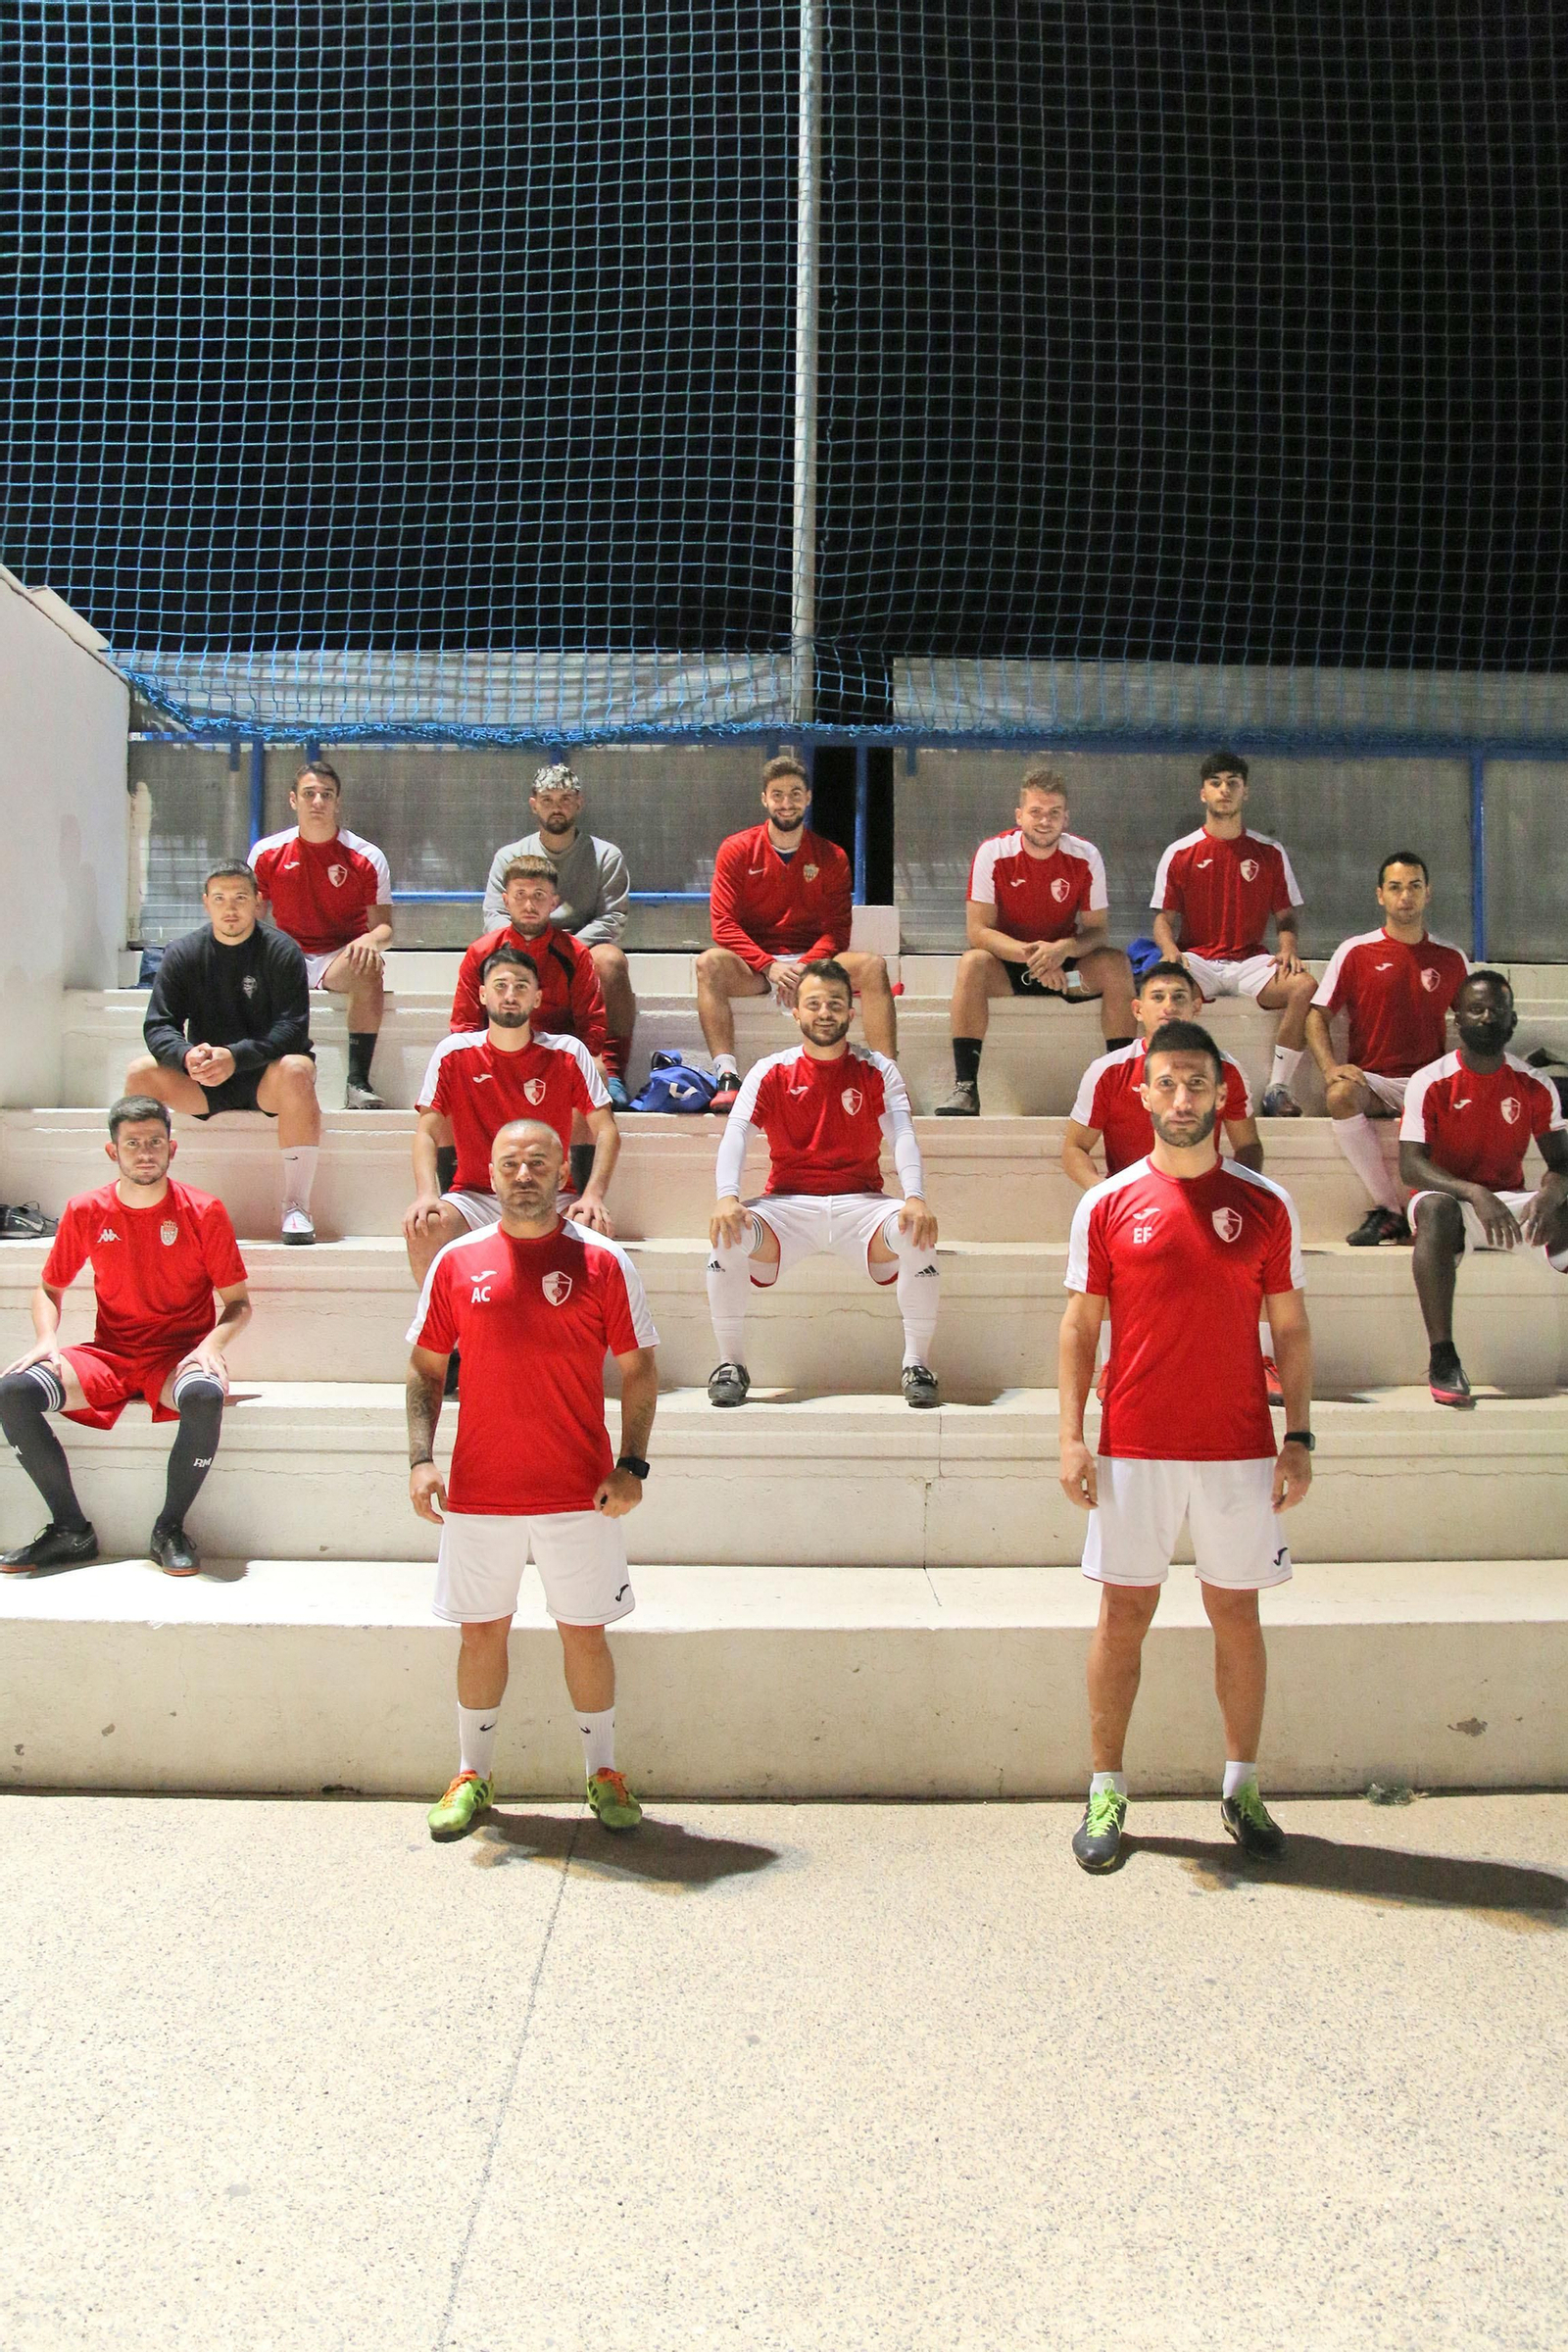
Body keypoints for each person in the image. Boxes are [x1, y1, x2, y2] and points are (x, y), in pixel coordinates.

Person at [1058, 1019, 1313, 1874]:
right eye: (1166, 1083)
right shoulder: (1106, 1202)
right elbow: (1077, 1328)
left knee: (1235, 1614)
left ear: (1221, 1095)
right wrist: (1070, 1438)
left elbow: (1294, 1330)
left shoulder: (1266, 1205)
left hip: (1240, 1448)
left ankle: (1241, 1788)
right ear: (1142, 1092)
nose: (1181, 1099)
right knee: (1122, 1614)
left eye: (1196, 1085)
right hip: (1132, 1446)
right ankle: (1105, 1788)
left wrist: (1299, 1436)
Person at [406, 1118, 660, 1842]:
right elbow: (425, 1369)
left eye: (539, 1161)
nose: (525, 1174)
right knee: (481, 1634)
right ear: (489, 1170)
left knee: (584, 1635)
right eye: (512, 1162)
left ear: (562, 1173)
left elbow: (640, 1371)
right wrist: (421, 1458)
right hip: (479, 1492)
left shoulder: (605, 1263)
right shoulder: (455, 1262)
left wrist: (632, 1465)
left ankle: (604, 1773)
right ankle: (471, 1773)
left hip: (580, 1493)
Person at [0, 1096, 249, 1575]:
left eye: (155, 1141)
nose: (145, 1152)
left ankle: (169, 1528)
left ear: (172, 1149)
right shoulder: (86, 1209)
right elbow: (49, 1288)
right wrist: (46, 1339)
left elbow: (239, 1303)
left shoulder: (203, 1210)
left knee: (203, 1397)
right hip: (110, 1355)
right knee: (12, 1390)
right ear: (113, 1152)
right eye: (132, 1143)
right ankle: (71, 1530)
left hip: (176, 1358)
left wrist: (210, 1346)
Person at [704, 958, 940, 1408]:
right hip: (786, 1208)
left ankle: (917, 1364)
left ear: (852, 1012)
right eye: (814, 1004)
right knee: (727, 1232)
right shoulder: (770, 1070)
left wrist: (915, 1198)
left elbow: (903, 1134)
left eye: (835, 1003)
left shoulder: (878, 1069)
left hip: (863, 1205)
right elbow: (736, 1133)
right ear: (795, 1010)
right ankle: (730, 1364)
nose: (825, 1012)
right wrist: (726, 1198)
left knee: (918, 1229)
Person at [1061, 960, 1277, 1406]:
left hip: (1205, 1195)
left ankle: (1258, 1357)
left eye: (1179, 997)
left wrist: (1243, 1192)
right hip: (1133, 1205)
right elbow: (1073, 1149)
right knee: (1108, 1247)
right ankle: (1114, 1360)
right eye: (1158, 998)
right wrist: (1105, 1197)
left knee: (1249, 1241)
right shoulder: (1108, 1070)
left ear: (1197, 1006)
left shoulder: (1225, 1071)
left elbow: (1248, 1145)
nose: (1169, 1007)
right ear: (1137, 1009)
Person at [126, 861, 322, 1244]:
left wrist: (235, 1056)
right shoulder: (183, 953)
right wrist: (186, 1056)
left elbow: (292, 1029)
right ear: (206, 904)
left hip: (265, 1076)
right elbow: (158, 1026)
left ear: (257, 903)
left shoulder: (281, 950)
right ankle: (142, 1200)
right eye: (220, 899)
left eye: (239, 898)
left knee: (299, 1068)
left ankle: (296, 1206)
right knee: (139, 1073)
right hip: (205, 1079)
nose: (230, 909)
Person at [1397, 971, 1568, 1406]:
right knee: (1436, 1208)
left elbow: (1563, 1164)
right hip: (1451, 1204)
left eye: (1498, 1010)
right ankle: (1443, 1357)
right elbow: (1412, 1167)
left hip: (1509, 1209)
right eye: (1476, 1009)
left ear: (1512, 1023)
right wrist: (1473, 1192)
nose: (1487, 1017)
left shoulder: (1534, 1083)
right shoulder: (1430, 1080)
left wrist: (1550, 1192)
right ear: (1457, 1019)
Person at [404, 943, 618, 1286]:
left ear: (537, 998)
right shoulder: (453, 1053)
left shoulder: (567, 1051)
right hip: (475, 1196)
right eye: (500, 986)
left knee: (593, 1223)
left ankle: (573, 1338)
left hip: (551, 1194)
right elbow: (427, 1132)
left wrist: (593, 1195)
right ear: (483, 995)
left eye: (521, 986)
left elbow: (606, 1131)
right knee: (426, 1223)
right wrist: (427, 1193)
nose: (510, 995)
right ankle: (448, 1336)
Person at [699, 753, 897, 1114]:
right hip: (757, 969)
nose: (786, 803)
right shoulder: (736, 849)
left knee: (873, 966)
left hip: (813, 964)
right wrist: (768, 965)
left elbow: (837, 930)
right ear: (764, 799)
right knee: (709, 964)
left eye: (794, 793)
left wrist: (806, 967)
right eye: (777, 794)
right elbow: (723, 924)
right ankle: (727, 1075)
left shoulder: (832, 856)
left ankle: (888, 1081)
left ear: (808, 797)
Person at [933, 767, 1136, 1116]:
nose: (1045, 821)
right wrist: (1034, 958)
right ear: (1019, 816)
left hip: (1068, 978)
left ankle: (1121, 1087)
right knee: (972, 963)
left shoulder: (1086, 857)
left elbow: (1098, 930)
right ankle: (966, 1087)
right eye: (1036, 812)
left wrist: (1063, 951)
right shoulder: (993, 853)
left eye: (1054, 813)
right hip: (1014, 973)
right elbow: (978, 931)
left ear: (1066, 818)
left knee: (1115, 965)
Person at [1306, 854, 1469, 1245]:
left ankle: (1449, 1212)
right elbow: (1315, 1016)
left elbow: (1472, 1023)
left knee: (1468, 1104)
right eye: (1395, 887)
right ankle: (1389, 1211)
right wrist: (1331, 1068)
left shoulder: (1452, 959)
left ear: (1428, 894)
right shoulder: (1356, 951)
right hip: (1377, 1083)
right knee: (1341, 1095)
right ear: (1380, 895)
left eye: (1414, 886)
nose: (1405, 896)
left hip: (1430, 1086)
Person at [1151, 749, 1317, 1117]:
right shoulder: (1180, 852)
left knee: (1304, 985)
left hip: (1251, 961)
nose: (1224, 790)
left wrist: (1288, 947)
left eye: (1233, 783)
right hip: (1199, 960)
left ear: (1246, 792)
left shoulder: (1269, 852)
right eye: (1215, 783)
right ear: (1203, 793)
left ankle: (1277, 1088)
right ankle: (1170, 1083)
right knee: (1166, 993)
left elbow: (1286, 916)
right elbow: (1163, 918)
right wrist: (1168, 950)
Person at [451, 854, 613, 1198]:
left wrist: (563, 1060)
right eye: (520, 894)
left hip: (555, 1062)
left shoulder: (575, 954)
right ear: (505, 899)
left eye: (539, 895)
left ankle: (580, 1194)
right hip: (496, 1056)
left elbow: (593, 1026)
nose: (529, 904)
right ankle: (455, 1191)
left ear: (554, 902)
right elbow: (464, 1026)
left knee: (596, 1070)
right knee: (450, 1074)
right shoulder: (481, 953)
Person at [480, 762, 636, 1107]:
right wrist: (532, 946)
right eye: (548, 798)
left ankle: (610, 1070)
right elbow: (493, 916)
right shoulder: (509, 856)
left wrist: (566, 950)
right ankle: (484, 1067)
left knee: (611, 960)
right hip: (523, 950)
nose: (557, 806)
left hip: (579, 953)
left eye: (565, 798)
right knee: (486, 960)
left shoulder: (606, 856)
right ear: (533, 803)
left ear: (579, 803)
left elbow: (613, 917)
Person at [251, 759, 394, 1110]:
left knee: (370, 966)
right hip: (288, 958)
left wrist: (370, 940)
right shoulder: (266, 853)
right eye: (309, 794)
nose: (318, 802)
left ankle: (357, 1083)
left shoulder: (366, 857)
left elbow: (385, 929)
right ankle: (257, 1076)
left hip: (339, 958)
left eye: (326, 795)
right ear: (293, 800)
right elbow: (249, 920)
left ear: (337, 801)